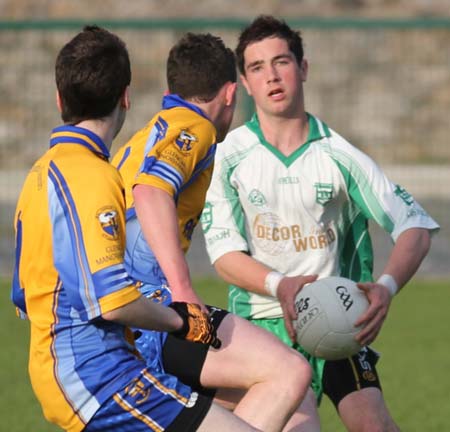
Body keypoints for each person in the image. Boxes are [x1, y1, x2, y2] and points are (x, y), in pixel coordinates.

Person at [11, 25, 266, 432]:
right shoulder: (94, 176)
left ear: (60, 99)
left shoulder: (38, 176)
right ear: (126, 98)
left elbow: (24, 297)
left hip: (64, 370)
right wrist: (179, 319)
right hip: (97, 376)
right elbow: (112, 301)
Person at [202, 15, 440, 432]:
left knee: (375, 427)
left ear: (303, 68)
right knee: (299, 426)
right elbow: (224, 256)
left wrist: (385, 288)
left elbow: (414, 227)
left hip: (339, 320)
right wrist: (282, 285)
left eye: (282, 62)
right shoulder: (228, 157)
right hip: (262, 326)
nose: (272, 76)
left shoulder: (339, 156)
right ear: (244, 83)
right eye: (257, 67)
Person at [112, 32, 312, 431]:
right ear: (229, 94)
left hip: (125, 312)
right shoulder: (194, 128)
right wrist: (182, 289)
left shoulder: (151, 131)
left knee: (293, 400)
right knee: (289, 373)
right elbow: (151, 191)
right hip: (149, 311)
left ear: (172, 90)